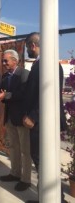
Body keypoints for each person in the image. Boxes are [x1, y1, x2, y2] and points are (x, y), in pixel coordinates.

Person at [22, 32, 67, 203]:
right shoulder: (42, 63)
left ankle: (56, 199)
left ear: (33, 45)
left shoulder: (49, 64)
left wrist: (32, 116)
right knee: (42, 160)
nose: (27, 51)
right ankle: (46, 198)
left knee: (45, 161)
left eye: (27, 47)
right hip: (40, 120)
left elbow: (49, 94)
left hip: (43, 121)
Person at [0, 49, 31, 191]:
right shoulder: (4, 76)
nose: (3, 63)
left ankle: (26, 179)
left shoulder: (24, 74)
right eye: (3, 61)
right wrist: (1, 97)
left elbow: (24, 94)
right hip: (10, 117)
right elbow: (4, 93)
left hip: (22, 118)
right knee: (13, 147)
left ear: (15, 61)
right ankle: (15, 173)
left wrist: (7, 96)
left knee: (25, 150)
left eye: (6, 61)